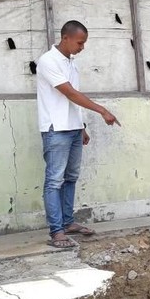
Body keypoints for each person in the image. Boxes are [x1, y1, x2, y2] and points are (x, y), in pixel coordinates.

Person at [36, 20, 120, 248]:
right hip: (56, 129)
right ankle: (56, 232)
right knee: (54, 181)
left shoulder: (70, 63)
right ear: (66, 38)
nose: (82, 47)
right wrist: (102, 110)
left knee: (70, 178)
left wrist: (81, 125)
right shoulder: (48, 61)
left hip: (72, 128)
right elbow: (70, 94)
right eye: (80, 42)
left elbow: (74, 100)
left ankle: (68, 222)